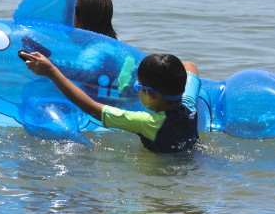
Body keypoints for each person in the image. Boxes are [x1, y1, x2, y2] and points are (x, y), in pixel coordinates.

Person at [19, 50, 200, 153]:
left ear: (150, 95)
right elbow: (190, 66)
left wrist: (52, 72)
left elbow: (91, 108)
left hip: (164, 172)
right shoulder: (190, 105)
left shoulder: (147, 123)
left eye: (139, 88)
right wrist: (166, 68)